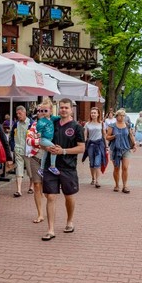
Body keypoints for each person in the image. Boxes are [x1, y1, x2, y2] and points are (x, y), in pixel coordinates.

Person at [40, 98, 85, 241]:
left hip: (68, 167)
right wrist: (47, 147)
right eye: (61, 107)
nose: (63, 110)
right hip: (50, 166)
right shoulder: (51, 123)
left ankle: (69, 221)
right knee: (50, 196)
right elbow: (41, 142)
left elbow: (81, 148)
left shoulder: (77, 127)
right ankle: (50, 230)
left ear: (71, 110)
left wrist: (63, 151)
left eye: (66, 107)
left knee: (69, 196)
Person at [25, 109, 46, 223]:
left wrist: (37, 140)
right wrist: (42, 141)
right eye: (39, 111)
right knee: (37, 185)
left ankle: (49, 208)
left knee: (48, 188)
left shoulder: (53, 125)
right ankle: (40, 214)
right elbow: (28, 140)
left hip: (48, 159)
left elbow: (54, 140)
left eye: (44, 110)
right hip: (35, 157)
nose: (41, 113)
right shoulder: (34, 125)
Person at [106, 109, 135, 194]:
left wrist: (134, 144)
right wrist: (114, 136)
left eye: (123, 116)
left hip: (126, 148)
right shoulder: (112, 126)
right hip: (115, 149)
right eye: (120, 115)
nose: (122, 117)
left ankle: (125, 186)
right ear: (116, 116)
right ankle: (116, 185)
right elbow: (107, 137)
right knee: (116, 168)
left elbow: (131, 135)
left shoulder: (127, 125)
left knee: (125, 167)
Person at [9, 106, 32, 197]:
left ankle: (31, 186)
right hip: (18, 150)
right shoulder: (16, 124)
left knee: (30, 170)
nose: (18, 115)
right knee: (19, 170)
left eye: (20, 113)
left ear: (25, 113)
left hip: (29, 151)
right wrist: (13, 146)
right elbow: (11, 136)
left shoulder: (31, 124)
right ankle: (18, 190)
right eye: (17, 114)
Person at [35, 98, 60, 176]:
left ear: (51, 111)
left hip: (48, 139)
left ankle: (41, 169)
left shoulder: (52, 118)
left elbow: (58, 117)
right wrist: (39, 133)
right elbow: (39, 128)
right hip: (43, 139)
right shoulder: (41, 120)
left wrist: (65, 117)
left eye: (45, 111)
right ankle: (52, 166)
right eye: (42, 111)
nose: (43, 112)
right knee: (53, 148)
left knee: (45, 155)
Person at [82, 107, 105, 188]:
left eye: (95, 113)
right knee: (92, 163)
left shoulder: (101, 123)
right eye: (92, 113)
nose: (93, 114)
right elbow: (85, 135)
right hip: (91, 145)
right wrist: (84, 145)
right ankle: (93, 178)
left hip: (99, 145)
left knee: (97, 163)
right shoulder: (87, 124)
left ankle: (98, 181)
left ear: (98, 114)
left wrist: (106, 146)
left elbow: (104, 135)